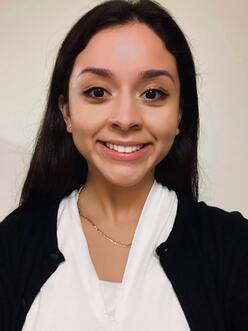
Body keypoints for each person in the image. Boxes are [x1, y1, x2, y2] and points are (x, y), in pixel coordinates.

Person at [0, 0, 247, 330]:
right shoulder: (12, 247)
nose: (126, 119)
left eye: (153, 94)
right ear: (66, 111)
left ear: (180, 114)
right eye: (98, 91)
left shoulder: (233, 248)